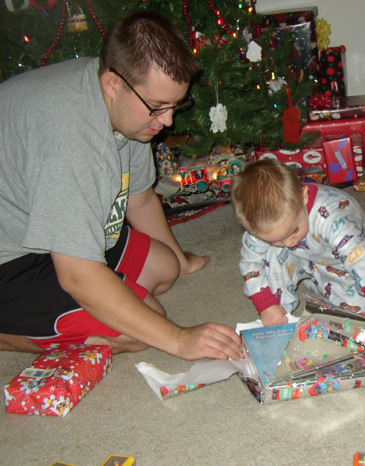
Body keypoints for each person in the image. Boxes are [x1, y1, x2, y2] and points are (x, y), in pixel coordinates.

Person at [0, 11, 242, 361]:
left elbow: (139, 198)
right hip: (10, 260)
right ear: (113, 84)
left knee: (164, 268)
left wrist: (181, 261)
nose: (168, 120)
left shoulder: (120, 100)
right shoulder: (72, 142)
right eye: (158, 107)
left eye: (175, 105)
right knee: (141, 328)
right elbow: (78, 277)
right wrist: (179, 340)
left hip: (38, 233)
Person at [230, 158, 365, 330]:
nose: (289, 243)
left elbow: (357, 256)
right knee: (271, 255)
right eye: (275, 239)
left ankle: (326, 283)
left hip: (340, 261)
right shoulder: (263, 226)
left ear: (304, 197)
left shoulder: (331, 219)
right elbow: (250, 264)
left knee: (358, 310)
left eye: (293, 231)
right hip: (305, 259)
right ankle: (280, 313)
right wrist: (266, 305)